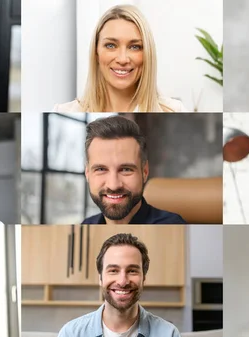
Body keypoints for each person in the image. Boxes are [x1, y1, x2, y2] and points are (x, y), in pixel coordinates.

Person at [53, 5, 188, 112]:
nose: (122, 59)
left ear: (147, 53)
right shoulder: (63, 112)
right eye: (111, 45)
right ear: (96, 52)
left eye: (134, 47)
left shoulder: (175, 111)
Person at [58, 233, 181, 336]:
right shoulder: (71, 333)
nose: (122, 281)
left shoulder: (169, 333)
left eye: (132, 271)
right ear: (100, 278)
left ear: (144, 278)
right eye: (113, 271)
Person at [82, 116, 186, 224]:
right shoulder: (86, 224)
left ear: (145, 172)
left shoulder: (171, 225)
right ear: (87, 173)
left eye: (126, 169)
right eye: (101, 169)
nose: (113, 185)